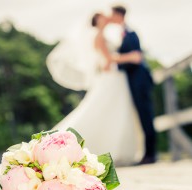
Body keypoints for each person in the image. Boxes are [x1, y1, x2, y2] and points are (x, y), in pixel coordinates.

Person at [53, 13, 144, 165]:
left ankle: (116, 149)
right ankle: (67, 146)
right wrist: (131, 57)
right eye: (102, 16)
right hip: (110, 78)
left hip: (114, 77)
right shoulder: (98, 36)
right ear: (97, 21)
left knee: (114, 113)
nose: (107, 17)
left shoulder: (102, 35)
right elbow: (107, 59)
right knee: (104, 111)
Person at [109, 5, 156, 164]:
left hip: (140, 80)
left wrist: (117, 59)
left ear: (119, 15)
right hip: (132, 80)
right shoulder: (121, 34)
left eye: (113, 14)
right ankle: (147, 153)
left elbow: (137, 58)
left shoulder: (131, 33)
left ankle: (150, 154)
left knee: (146, 115)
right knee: (141, 115)